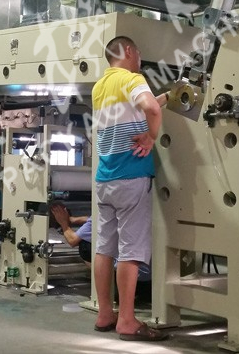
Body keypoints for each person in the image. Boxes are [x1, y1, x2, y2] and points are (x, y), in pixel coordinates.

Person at [91, 36, 169, 342]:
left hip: (105, 178)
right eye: (138, 52)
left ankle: (104, 314)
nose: (139, 59)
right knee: (130, 252)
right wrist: (151, 137)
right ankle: (126, 320)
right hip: (132, 176)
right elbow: (150, 109)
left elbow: (142, 107)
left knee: (104, 248)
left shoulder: (100, 87)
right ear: (127, 51)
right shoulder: (132, 79)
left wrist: (167, 96)